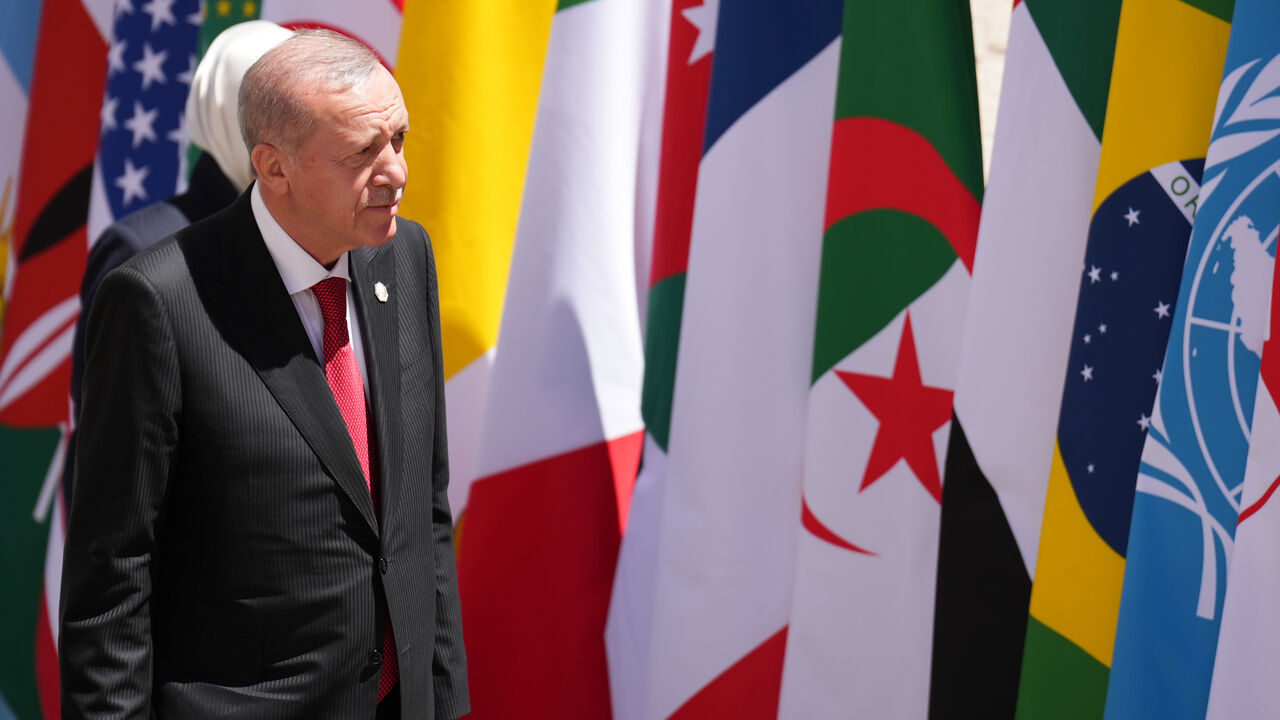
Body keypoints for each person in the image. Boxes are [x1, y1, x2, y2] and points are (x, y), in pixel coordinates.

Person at [59, 29, 469, 720]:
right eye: (362, 152)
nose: (396, 171)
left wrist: (445, 703)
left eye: (398, 138)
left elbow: (421, 512)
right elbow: (111, 583)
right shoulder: (158, 302)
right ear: (273, 169)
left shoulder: (406, 257)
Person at [66, 20, 293, 505]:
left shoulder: (323, 248)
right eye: (277, 113)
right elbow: (112, 470)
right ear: (231, 117)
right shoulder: (141, 251)